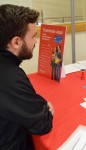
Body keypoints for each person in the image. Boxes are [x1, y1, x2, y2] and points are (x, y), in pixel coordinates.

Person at [0, 4, 54, 150]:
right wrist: (46, 108)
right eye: (33, 36)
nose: (36, 41)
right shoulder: (12, 77)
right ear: (16, 42)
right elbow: (43, 123)